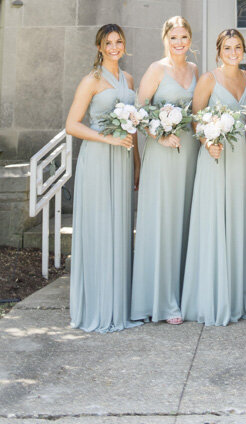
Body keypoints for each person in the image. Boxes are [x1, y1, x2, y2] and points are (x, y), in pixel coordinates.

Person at [66, 24, 140, 333]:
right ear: (99, 47)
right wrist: (106, 139)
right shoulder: (91, 80)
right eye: (108, 42)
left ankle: (118, 306)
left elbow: (133, 127)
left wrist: (137, 162)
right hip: (97, 159)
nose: (114, 47)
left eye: (118, 41)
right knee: (99, 227)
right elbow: (72, 125)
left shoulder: (129, 79)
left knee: (119, 227)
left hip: (123, 160)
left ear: (124, 45)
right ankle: (97, 307)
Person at [181, 28, 246, 325]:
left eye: (237, 47)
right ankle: (210, 297)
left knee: (238, 219)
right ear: (218, 51)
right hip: (215, 156)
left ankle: (238, 296)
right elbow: (195, 119)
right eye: (227, 47)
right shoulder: (208, 79)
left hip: (241, 159)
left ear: (244, 51)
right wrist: (208, 142)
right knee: (213, 221)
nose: (233, 52)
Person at [131, 16, 199, 325]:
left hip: (189, 153)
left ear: (190, 39)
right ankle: (160, 300)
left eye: (184, 37)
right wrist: (159, 134)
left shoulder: (196, 71)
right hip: (161, 153)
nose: (179, 42)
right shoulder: (156, 70)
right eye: (174, 37)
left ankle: (184, 295)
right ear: (165, 39)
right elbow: (138, 113)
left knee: (184, 220)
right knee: (162, 220)